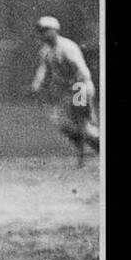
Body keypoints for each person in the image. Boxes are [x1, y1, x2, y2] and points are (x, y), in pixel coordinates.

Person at [30, 15, 99, 166]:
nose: (42, 34)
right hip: (69, 90)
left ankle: (83, 158)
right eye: (40, 31)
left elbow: (81, 70)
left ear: (54, 30)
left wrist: (78, 92)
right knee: (61, 122)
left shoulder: (67, 47)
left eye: (45, 30)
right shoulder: (46, 50)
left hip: (80, 87)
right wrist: (36, 85)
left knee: (82, 124)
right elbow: (43, 69)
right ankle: (93, 148)